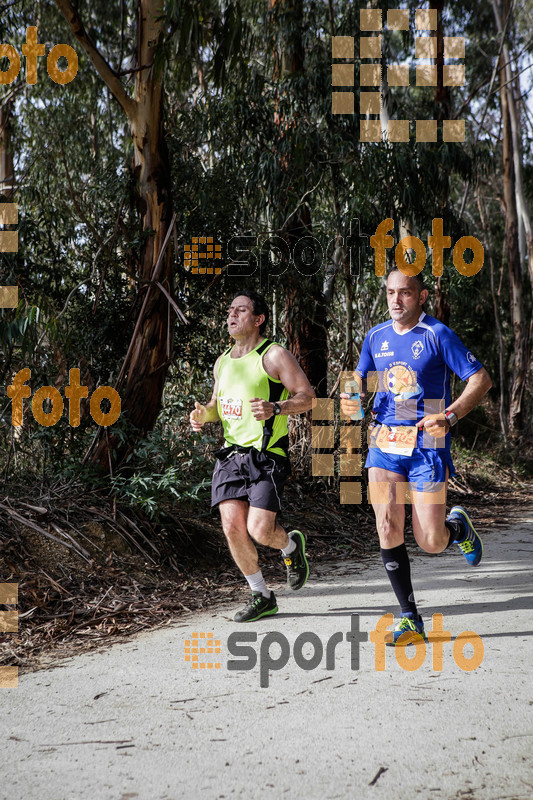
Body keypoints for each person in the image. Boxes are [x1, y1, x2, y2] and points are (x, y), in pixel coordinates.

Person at [341, 269, 492, 644]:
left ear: (421, 296)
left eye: (405, 293)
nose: (396, 300)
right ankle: (410, 616)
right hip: (386, 441)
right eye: (391, 293)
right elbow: (357, 379)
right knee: (388, 525)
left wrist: (450, 415)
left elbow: (481, 380)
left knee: (430, 541)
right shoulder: (376, 336)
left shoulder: (437, 335)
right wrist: (351, 396)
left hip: (427, 444)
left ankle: (456, 528)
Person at [190, 290, 316, 622]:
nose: (232, 315)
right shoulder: (222, 362)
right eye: (230, 310)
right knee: (232, 526)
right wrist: (204, 415)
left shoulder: (273, 355)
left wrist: (277, 407)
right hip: (230, 457)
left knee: (260, 530)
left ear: (258, 319)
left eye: (241, 310)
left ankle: (290, 548)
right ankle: (261, 594)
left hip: (266, 456)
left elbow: (307, 398)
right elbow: (217, 407)